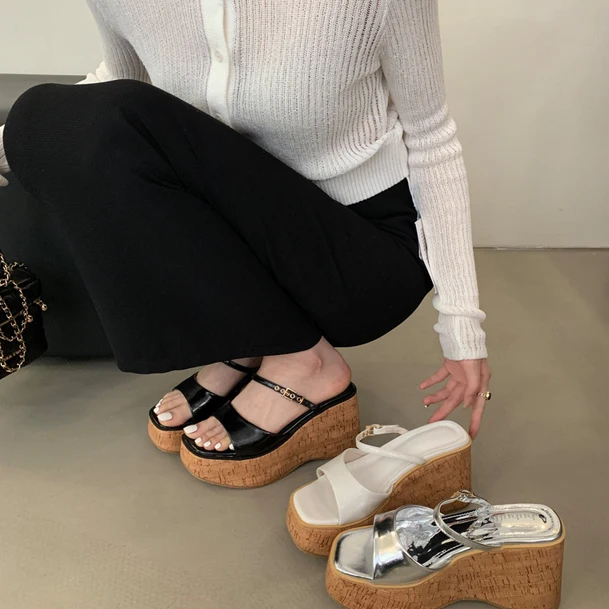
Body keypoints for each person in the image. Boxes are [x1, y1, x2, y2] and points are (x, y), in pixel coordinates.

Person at [0, 0, 491, 472]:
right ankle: (252, 336)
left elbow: (431, 136)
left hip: (360, 253)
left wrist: (461, 325)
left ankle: (303, 359)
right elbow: (121, 80)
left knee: (94, 118)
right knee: (37, 116)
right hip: (249, 232)